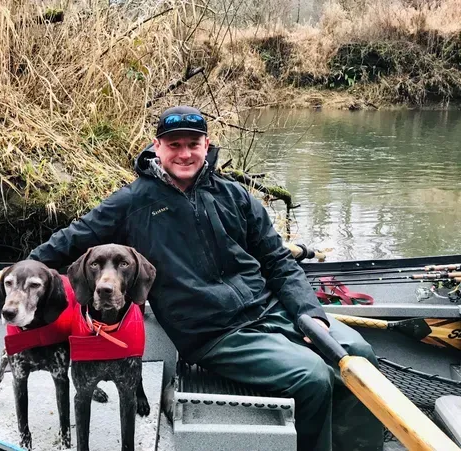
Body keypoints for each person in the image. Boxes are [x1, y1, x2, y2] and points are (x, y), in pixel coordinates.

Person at [28, 106, 384, 451]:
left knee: (360, 353)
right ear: (157, 147)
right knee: (313, 377)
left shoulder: (234, 194)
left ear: (207, 144)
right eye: (174, 144)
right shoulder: (133, 202)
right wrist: (25, 268)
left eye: (192, 144)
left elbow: (278, 261)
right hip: (214, 333)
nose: (184, 153)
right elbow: (74, 237)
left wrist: (310, 312)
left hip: (270, 310)